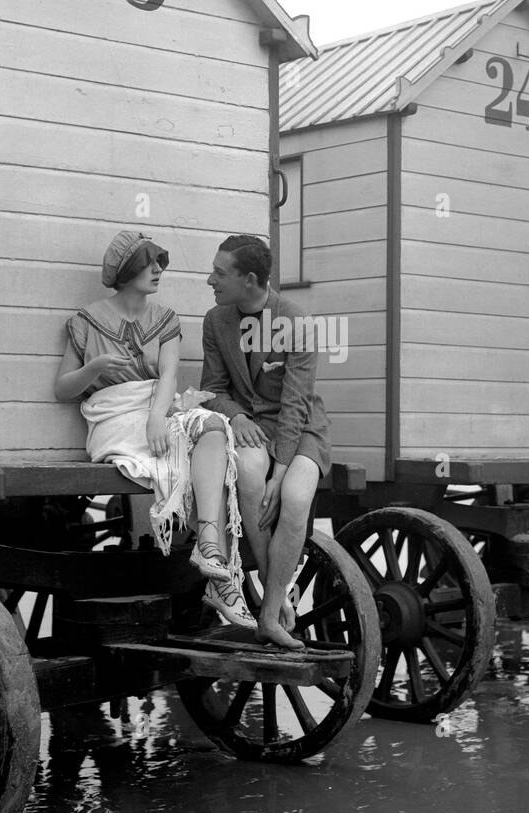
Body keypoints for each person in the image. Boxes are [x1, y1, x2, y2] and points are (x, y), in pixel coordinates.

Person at [54, 229, 250, 626]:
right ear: (126, 271)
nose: (159, 270)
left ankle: (209, 546)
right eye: (149, 263)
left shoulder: (165, 320)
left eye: (160, 262)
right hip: (112, 418)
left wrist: (158, 417)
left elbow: (168, 374)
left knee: (213, 426)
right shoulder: (86, 322)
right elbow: (62, 389)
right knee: (187, 453)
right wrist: (94, 368)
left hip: (155, 410)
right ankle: (221, 581)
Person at [201, 234, 331, 651]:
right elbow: (213, 388)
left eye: (221, 273)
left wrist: (282, 468)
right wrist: (236, 415)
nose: (210, 280)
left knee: (293, 497)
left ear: (251, 280)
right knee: (251, 480)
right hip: (252, 425)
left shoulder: (297, 321)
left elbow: (296, 402)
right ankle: (271, 603)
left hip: (302, 430)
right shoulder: (215, 320)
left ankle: (270, 613)